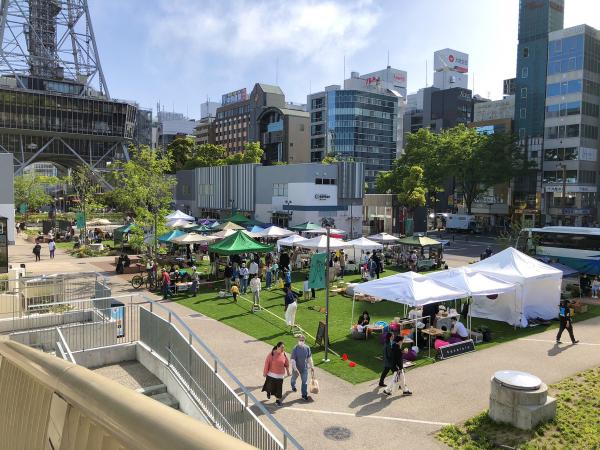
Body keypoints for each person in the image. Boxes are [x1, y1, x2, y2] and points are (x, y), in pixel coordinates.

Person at [262, 342, 290, 407]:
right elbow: (267, 364)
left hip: (280, 376)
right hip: (271, 375)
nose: (283, 349)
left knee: (279, 389)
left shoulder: (284, 354)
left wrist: (288, 371)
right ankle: (268, 392)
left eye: (283, 347)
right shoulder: (271, 354)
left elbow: (286, 364)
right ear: (277, 347)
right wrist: (265, 373)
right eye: (281, 347)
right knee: (269, 387)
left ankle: (277, 401)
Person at [290, 334, 314, 401]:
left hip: (304, 368)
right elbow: (293, 360)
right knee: (293, 379)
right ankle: (293, 385)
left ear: (304, 341)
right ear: (298, 340)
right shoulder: (295, 349)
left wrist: (312, 366)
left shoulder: (307, 348)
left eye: (302, 340)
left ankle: (304, 394)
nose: (301, 341)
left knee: (304, 382)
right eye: (300, 340)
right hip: (296, 369)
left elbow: (309, 358)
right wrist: (295, 369)